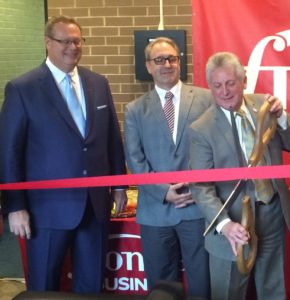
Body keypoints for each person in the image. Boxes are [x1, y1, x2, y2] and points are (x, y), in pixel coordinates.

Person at [0, 15, 127, 292]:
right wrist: (14, 206)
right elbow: (9, 151)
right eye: (65, 41)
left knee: (91, 284)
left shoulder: (98, 83)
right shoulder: (23, 88)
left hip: (95, 206)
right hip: (46, 210)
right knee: (43, 285)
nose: (73, 47)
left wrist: (119, 185)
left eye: (78, 41)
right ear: (48, 43)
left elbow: (111, 139)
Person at [189, 51, 290, 300]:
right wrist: (224, 225)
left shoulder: (265, 106)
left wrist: (282, 116)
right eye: (217, 85)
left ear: (244, 80)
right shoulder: (201, 129)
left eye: (230, 83)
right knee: (229, 293)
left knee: (273, 289)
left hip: (272, 213)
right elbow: (200, 186)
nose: (224, 91)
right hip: (232, 225)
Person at [123, 37, 211, 298]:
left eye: (172, 58)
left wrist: (197, 188)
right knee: (162, 287)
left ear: (179, 62)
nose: (167, 64)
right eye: (159, 59)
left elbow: (216, 149)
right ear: (148, 66)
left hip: (197, 208)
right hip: (155, 212)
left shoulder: (206, 99)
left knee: (202, 283)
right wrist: (164, 191)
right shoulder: (134, 110)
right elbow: (135, 160)